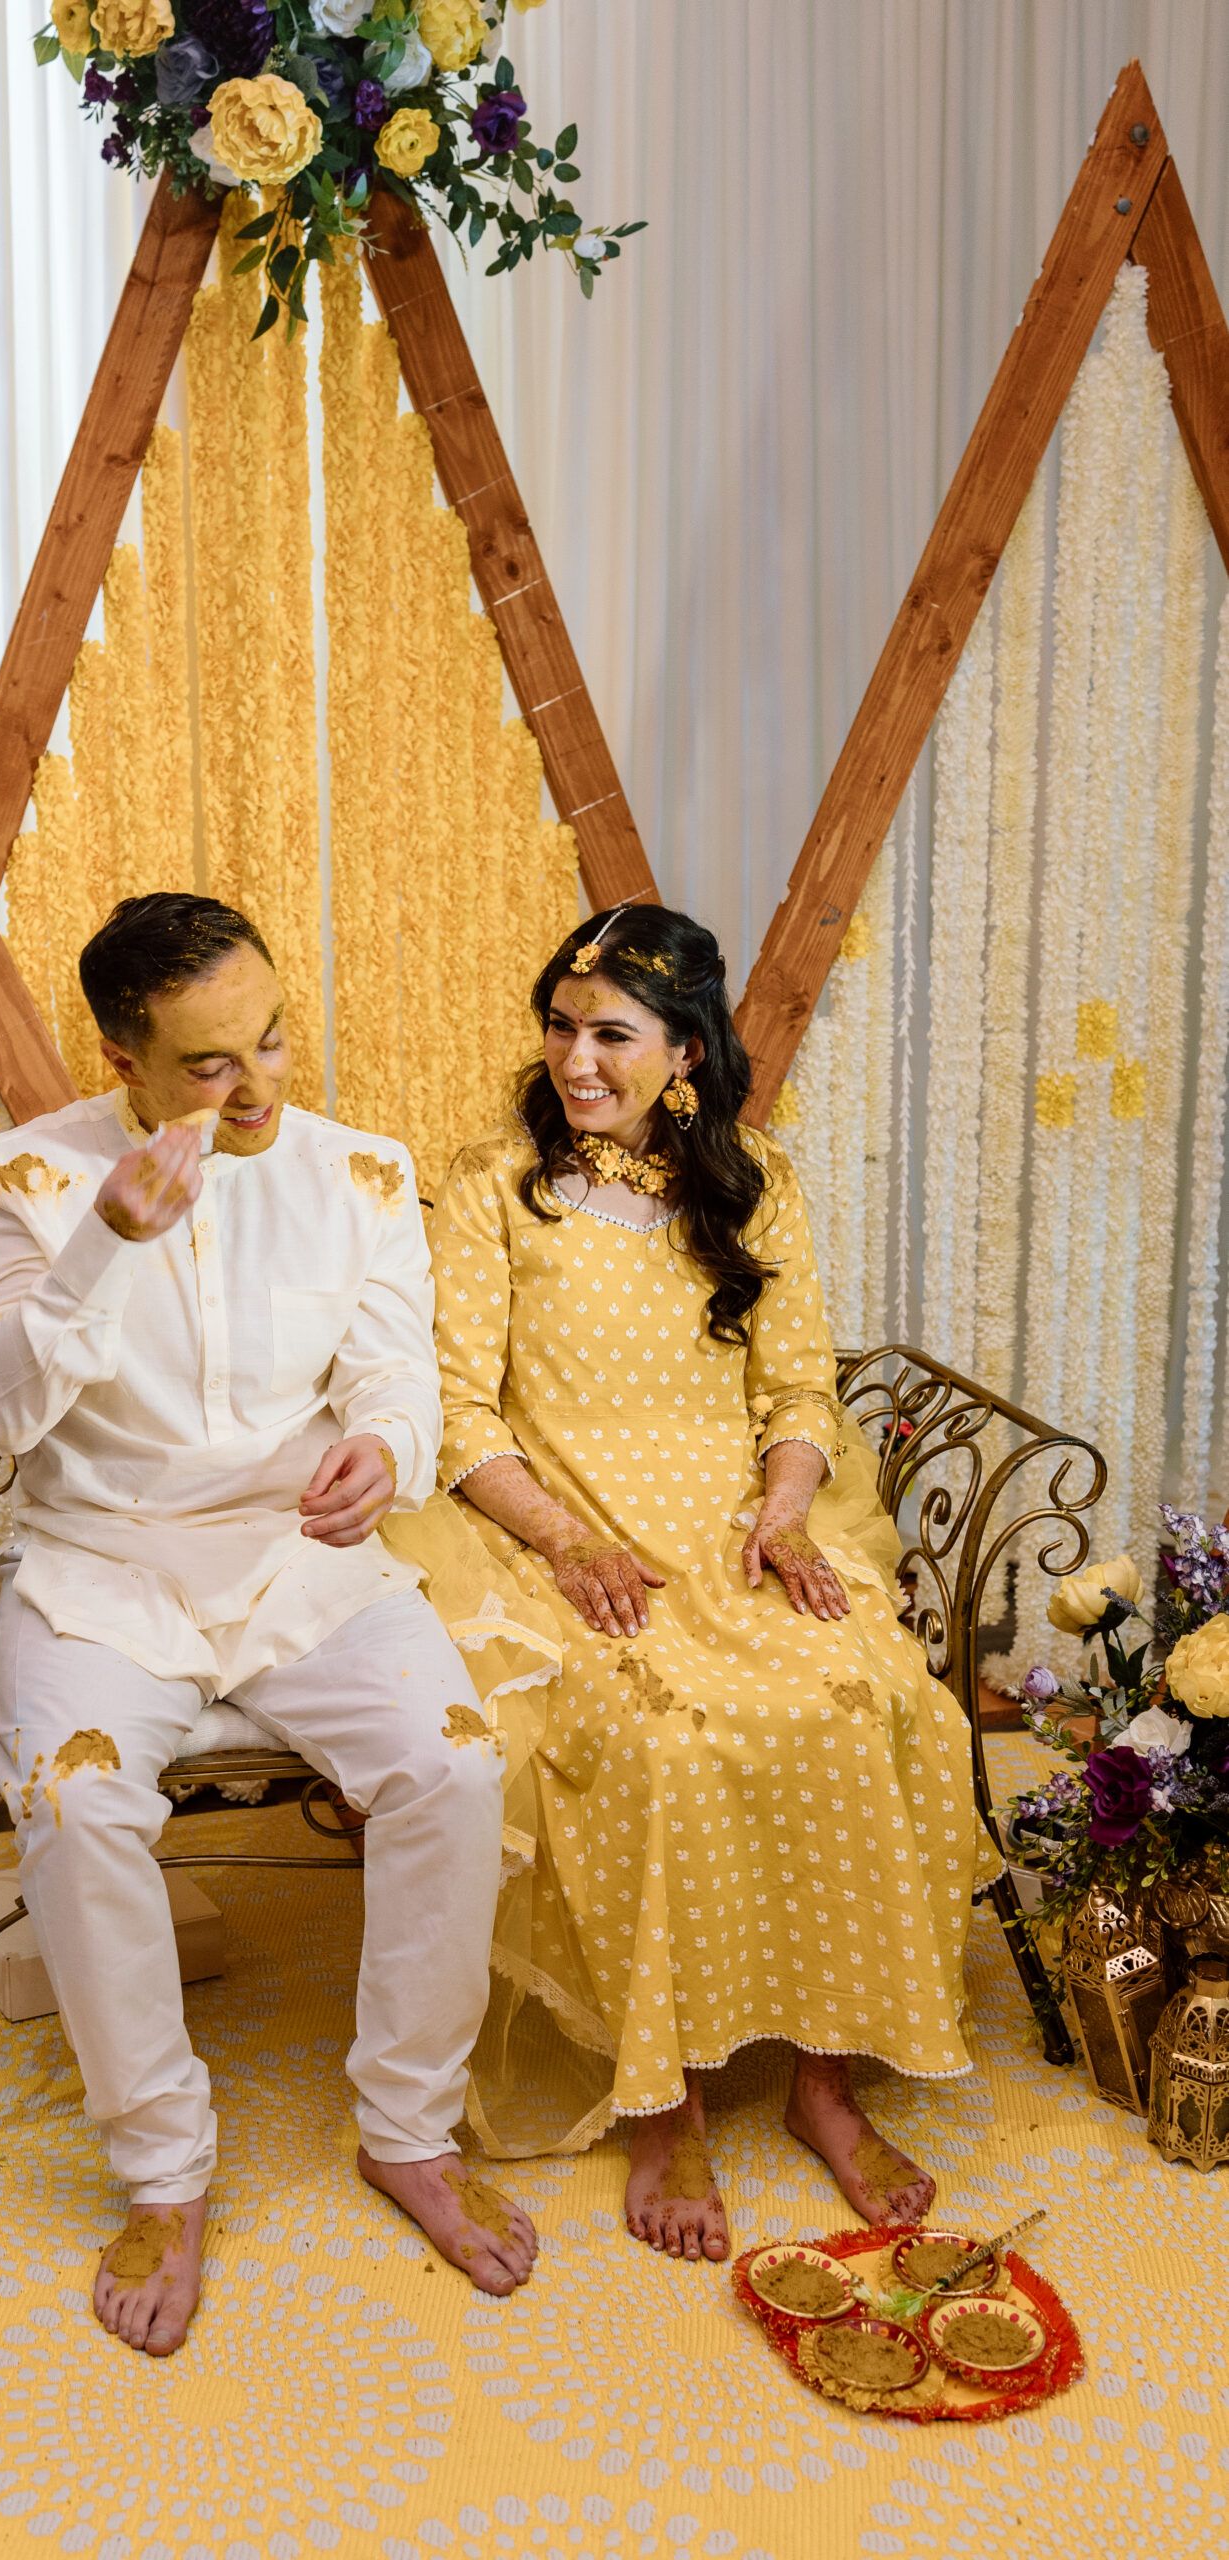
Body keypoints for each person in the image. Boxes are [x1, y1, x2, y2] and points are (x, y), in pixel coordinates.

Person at [0, 893, 537, 2356]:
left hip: (302, 1564)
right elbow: (6, 1412)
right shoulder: (23, 1180)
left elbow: (398, 1374)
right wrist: (103, 1245)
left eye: (273, 1037)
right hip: (100, 1568)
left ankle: (407, 2128)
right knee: (80, 1802)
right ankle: (163, 2173)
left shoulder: (363, 1176)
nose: (262, 1084)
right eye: (212, 1065)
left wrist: (387, 1457)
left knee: (457, 1767)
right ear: (125, 1061)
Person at [420, 901, 986, 2263]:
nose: (575, 1058)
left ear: (683, 1052)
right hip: (560, 1533)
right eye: (560, 1026)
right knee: (657, 1743)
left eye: (610, 1033)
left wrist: (790, 1516)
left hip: (740, 1528)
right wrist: (569, 1544)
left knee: (863, 1699)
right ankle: (659, 2099)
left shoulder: (753, 1182)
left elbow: (796, 1384)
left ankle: (823, 2082)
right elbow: (457, 1415)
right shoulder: (495, 1184)